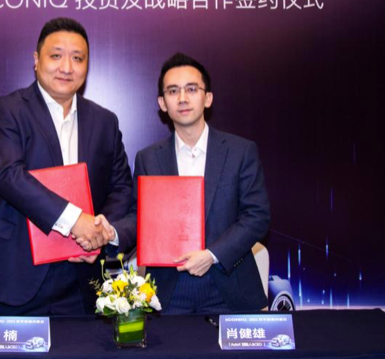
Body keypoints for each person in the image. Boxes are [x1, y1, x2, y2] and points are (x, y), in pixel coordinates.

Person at [0, 17, 133, 316]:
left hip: (84, 278)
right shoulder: (5, 111)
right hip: (18, 275)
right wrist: (76, 220)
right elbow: (8, 176)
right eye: (56, 55)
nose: (67, 67)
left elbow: (121, 188)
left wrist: (99, 234)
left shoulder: (105, 121)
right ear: (36, 60)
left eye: (77, 58)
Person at [114, 52, 270, 313]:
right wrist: (110, 233)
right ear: (162, 103)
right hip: (168, 291)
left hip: (228, 285)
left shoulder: (240, 151)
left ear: (207, 98)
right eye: (173, 91)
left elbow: (257, 216)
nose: (183, 98)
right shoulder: (148, 158)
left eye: (192, 89)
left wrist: (212, 255)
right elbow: (140, 218)